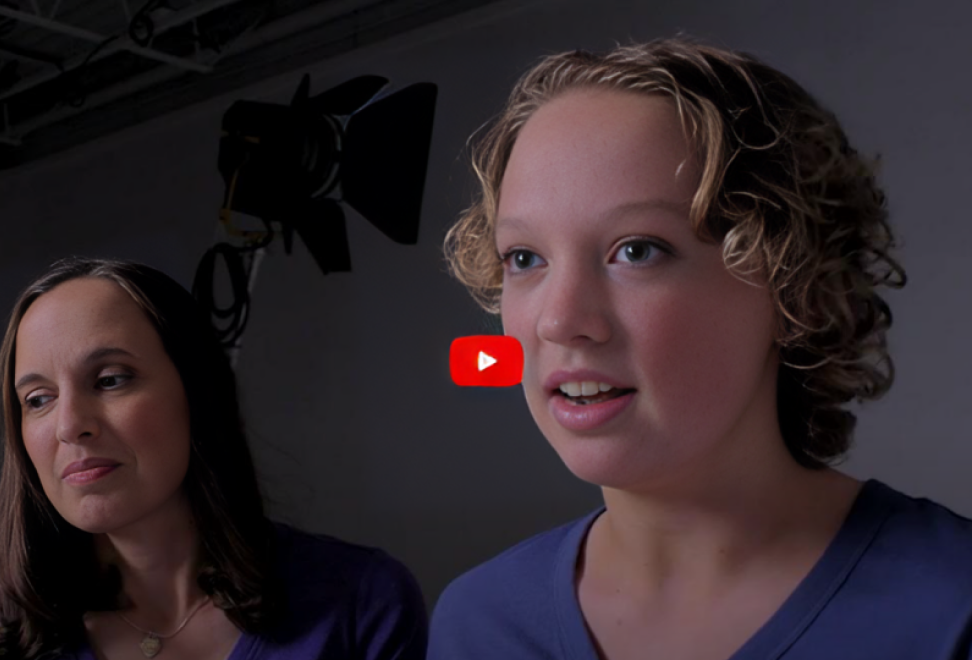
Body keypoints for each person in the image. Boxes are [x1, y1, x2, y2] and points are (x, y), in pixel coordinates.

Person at [429, 38, 972, 659]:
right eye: (524, 258)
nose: (559, 320)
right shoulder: (476, 624)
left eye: (637, 250)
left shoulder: (954, 609)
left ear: (795, 285)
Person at [0, 257, 427, 660]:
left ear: (198, 393)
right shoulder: (10, 636)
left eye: (110, 379)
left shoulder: (362, 602)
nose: (69, 425)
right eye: (38, 400)